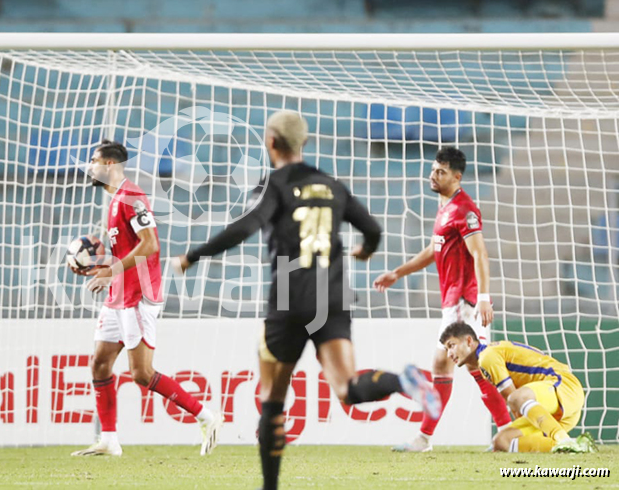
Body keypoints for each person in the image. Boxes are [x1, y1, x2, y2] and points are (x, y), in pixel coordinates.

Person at [175, 111, 440, 490]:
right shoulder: (332, 185)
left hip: (288, 299)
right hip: (332, 298)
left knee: (272, 400)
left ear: (271, 142)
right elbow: (374, 229)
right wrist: (366, 250)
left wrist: (193, 255)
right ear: (304, 143)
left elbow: (245, 227)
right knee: (347, 387)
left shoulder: (275, 184)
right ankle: (403, 381)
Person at [70, 140, 222, 457]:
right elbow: (127, 251)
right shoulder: (114, 200)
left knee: (141, 374)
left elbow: (150, 244)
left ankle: (205, 416)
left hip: (139, 295)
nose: (90, 166)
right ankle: (109, 440)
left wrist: (112, 271)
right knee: (99, 364)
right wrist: (103, 266)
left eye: (95, 160)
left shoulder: (132, 198)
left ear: (110, 165)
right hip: (118, 295)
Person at [373, 147, 511, 452]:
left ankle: (428, 438)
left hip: (465, 302)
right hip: (453, 302)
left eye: (441, 171)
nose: (434, 175)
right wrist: (397, 273)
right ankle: (506, 432)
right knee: (465, 368)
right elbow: (432, 251)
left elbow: (480, 253)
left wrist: (485, 298)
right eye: (434, 170)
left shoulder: (465, 210)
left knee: (465, 367)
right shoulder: (445, 208)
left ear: (457, 176)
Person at [440, 321, 594, 453]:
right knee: (501, 441)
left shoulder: (487, 356)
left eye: (451, 345)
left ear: (468, 341)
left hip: (563, 387)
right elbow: (515, 404)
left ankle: (562, 439)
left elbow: (512, 397)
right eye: (446, 349)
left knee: (516, 398)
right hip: (552, 413)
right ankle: (575, 445)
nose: (449, 354)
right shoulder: (486, 360)